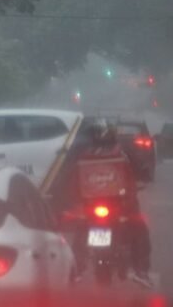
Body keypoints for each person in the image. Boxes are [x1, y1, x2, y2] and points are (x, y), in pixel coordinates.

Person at [54, 119, 153, 288]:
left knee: (82, 232)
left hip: (96, 206)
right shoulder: (121, 154)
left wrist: (73, 202)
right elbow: (135, 178)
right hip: (117, 206)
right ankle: (140, 271)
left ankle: (77, 270)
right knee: (139, 229)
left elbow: (71, 182)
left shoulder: (83, 155)